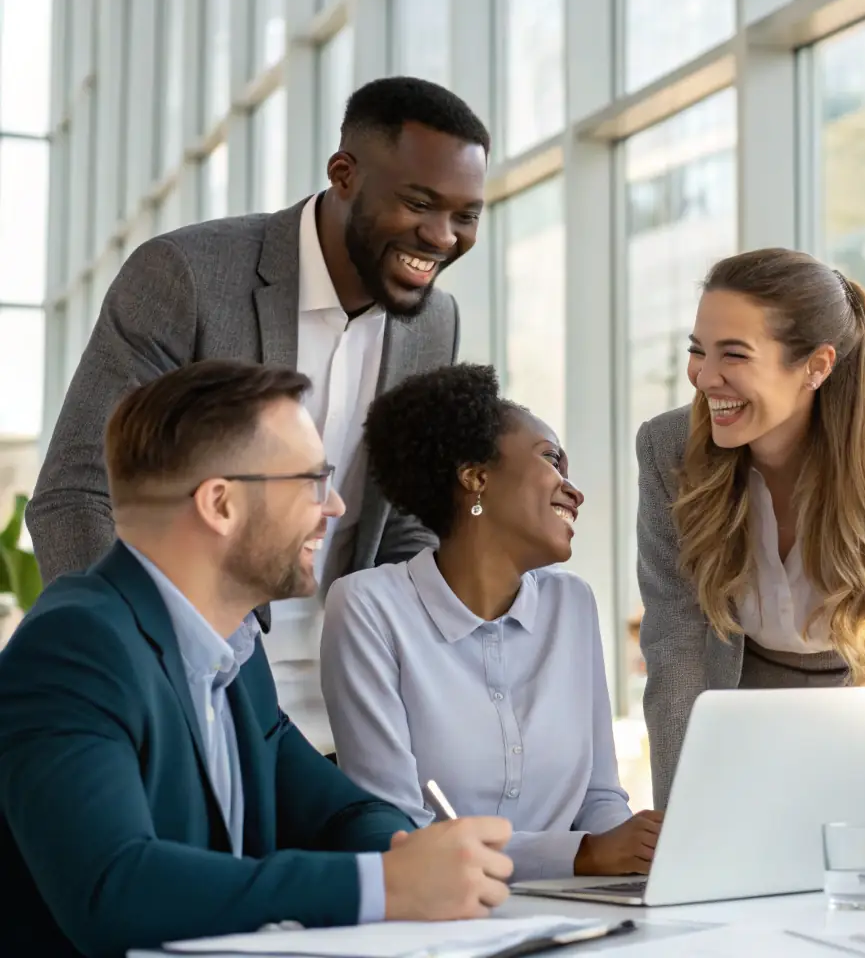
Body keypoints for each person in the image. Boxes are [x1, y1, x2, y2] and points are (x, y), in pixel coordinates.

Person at [28, 76, 490, 754]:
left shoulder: (432, 324)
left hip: (352, 713)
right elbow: (75, 495)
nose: (442, 236)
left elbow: (403, 529)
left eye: (466, 215)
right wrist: (142, 675)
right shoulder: (187, 277)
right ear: (344, 175)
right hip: (189, 696)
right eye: (418, 203)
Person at [0, 362, 514, 958]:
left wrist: (410, 856)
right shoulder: (76, 647)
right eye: (312, 481)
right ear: (220, 503)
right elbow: (112, 887)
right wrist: (382, 884)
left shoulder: (236, 652)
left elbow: (339, 812)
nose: (337, 506)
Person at [636, 248, 865, 809]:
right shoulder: (667, 448)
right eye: (698, 351)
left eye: (733, 355)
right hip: (744, 723)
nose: (703, 377)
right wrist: (679, 809)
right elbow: (677, 644)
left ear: (816, 365)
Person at [322, 364, 659, 882]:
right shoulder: (369, 608)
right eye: (551, 460)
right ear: (476, 476)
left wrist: (638, 850)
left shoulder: (573, 604)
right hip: (437, 918)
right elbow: (398, 831)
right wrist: (583, 854)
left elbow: (599, 797)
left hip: (577, 907)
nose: (574, 491)